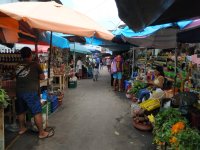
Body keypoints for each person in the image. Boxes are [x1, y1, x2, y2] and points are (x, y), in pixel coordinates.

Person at [15, 47, 54, 139]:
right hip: (31, 92)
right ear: (30, 55)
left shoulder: (17, 65)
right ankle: (41, 132)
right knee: (37, 112)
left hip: (19, 92)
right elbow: (42, 77)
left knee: (21, 111)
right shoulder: (35, 65)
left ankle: (22, 128)